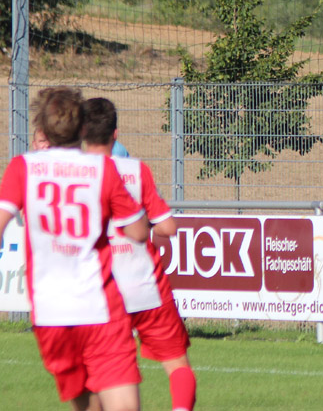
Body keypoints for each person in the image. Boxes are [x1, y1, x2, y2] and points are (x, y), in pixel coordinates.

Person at [0, 87, 148, 411]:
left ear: (43, 128)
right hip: (100, 307)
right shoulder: (102, 169)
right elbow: (137, 231)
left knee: (86, 406)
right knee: (123, 406)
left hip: (51, 313)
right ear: (82, 128)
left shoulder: (22, 168)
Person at [82, 97, 197, 411]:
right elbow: (169, 227)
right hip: (146, 286)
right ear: (115, 134)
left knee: (99, 380)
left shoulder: (74, 174)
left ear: (82, 132)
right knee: (178, 366)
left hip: (101, 291)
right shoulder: (135, 170)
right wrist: (150, 228)